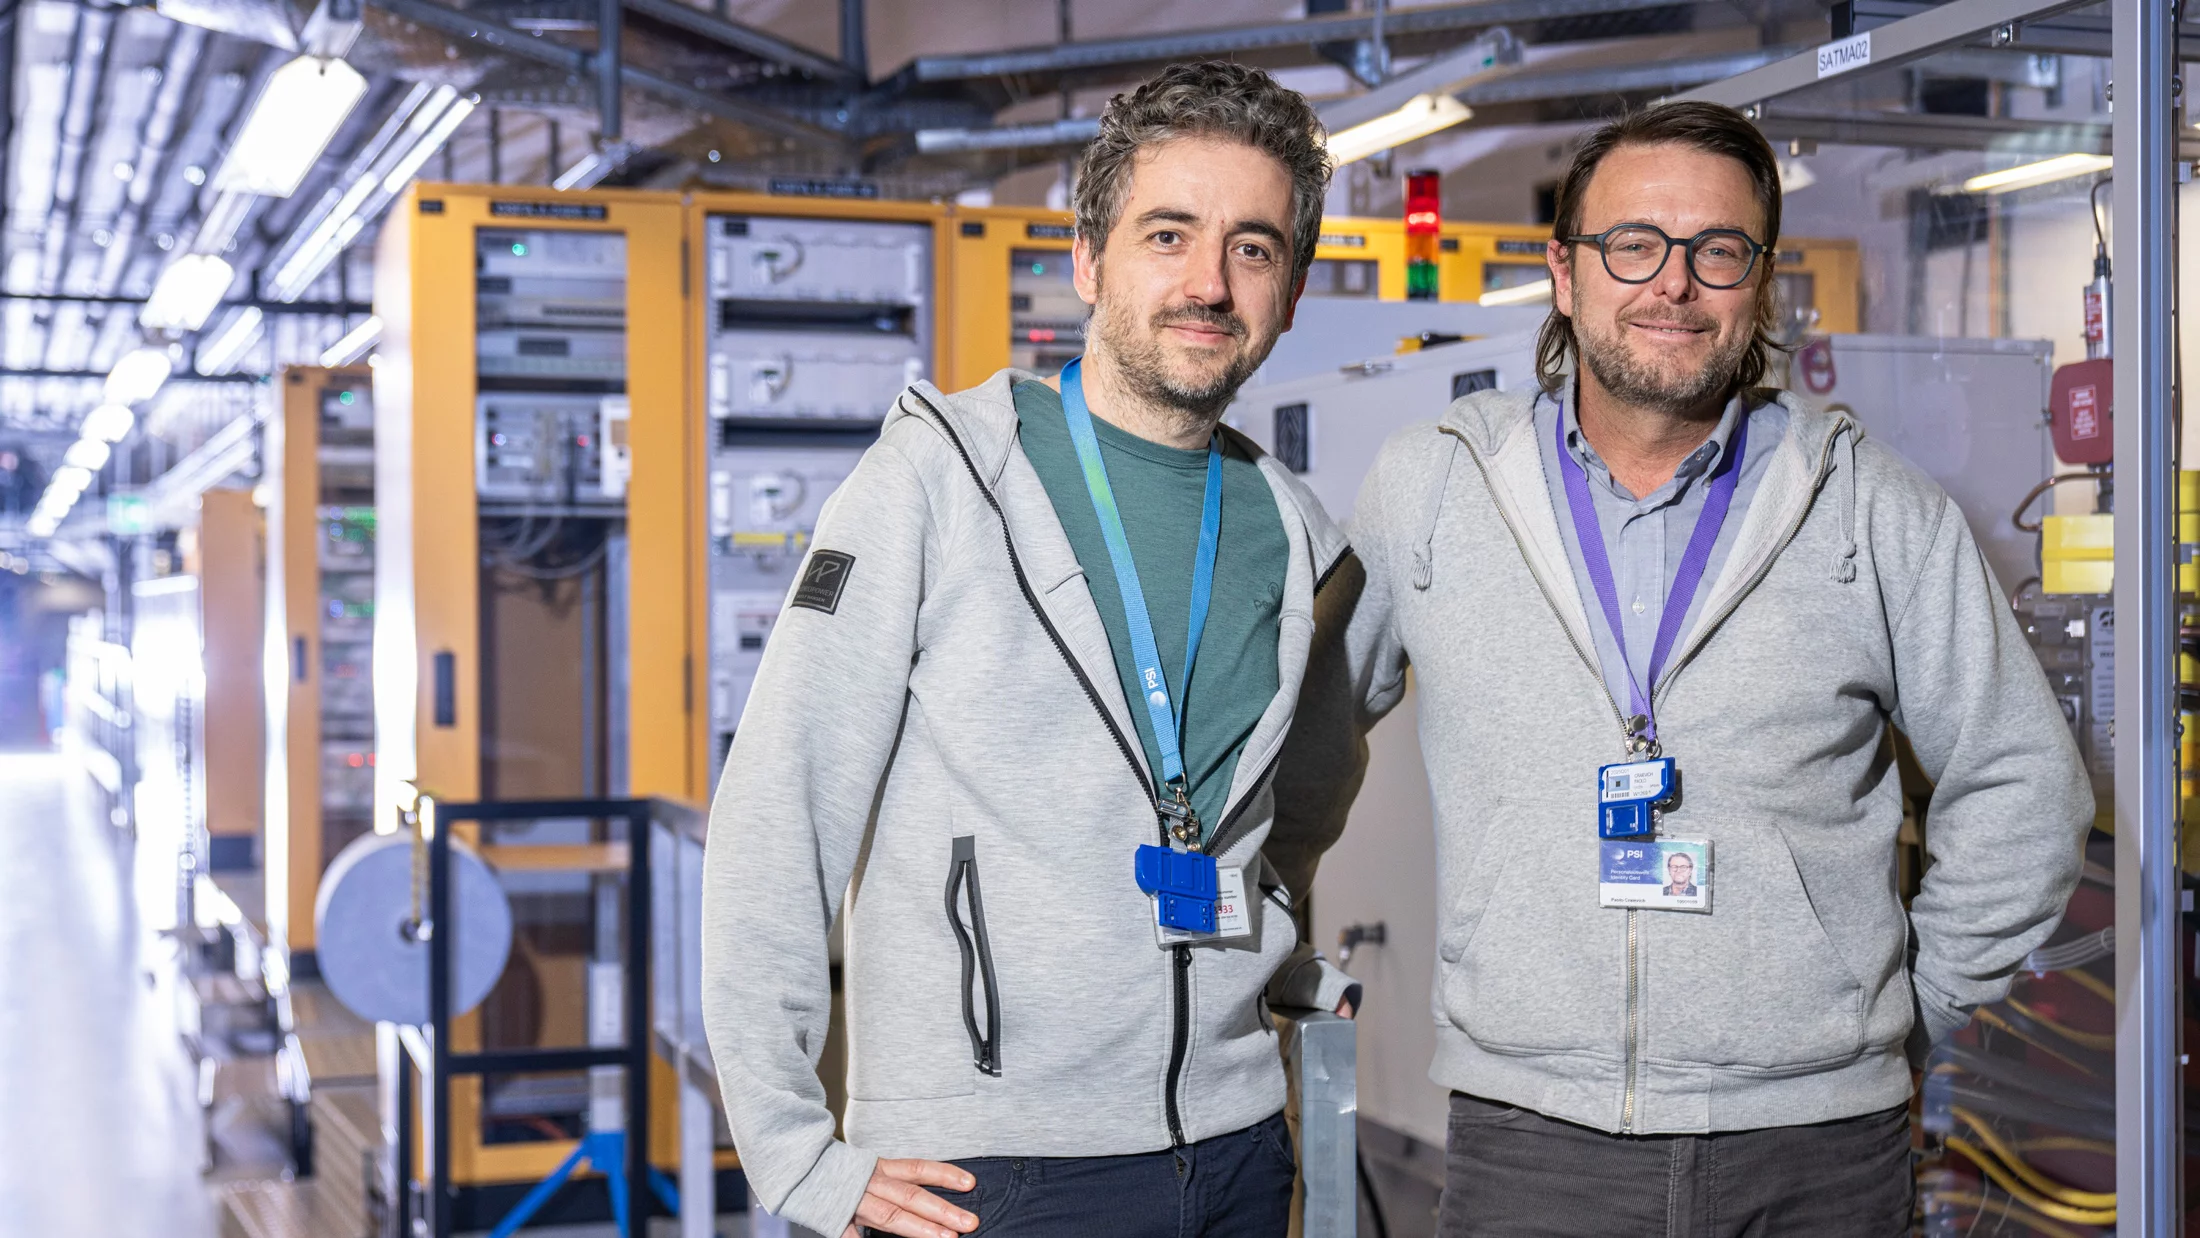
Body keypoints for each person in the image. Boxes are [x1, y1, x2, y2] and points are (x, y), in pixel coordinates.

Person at [1279, 101, 2092, 1236]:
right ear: (1563, 272)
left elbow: (2024, 784)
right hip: (1532, 1140)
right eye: (1632, 245)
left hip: (1818, 1151)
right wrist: (1255, 937)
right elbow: (1304, 746)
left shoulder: (1871, 508)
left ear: (1759, 283)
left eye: (1717, 251)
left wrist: (1908, 1008)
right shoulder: (1431, 490)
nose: (1672, 284)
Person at [702, 61, 1360, 1238]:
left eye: (1253, 248)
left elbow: (1296, 808)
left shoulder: (1295, 534)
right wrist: (795, 1150)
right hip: (986, 1166)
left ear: (1292, 289)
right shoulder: (938, 479)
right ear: (1088, 258)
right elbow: (779, 807)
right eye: (1169, 234)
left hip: (1238, 1149)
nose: (1209, 281)